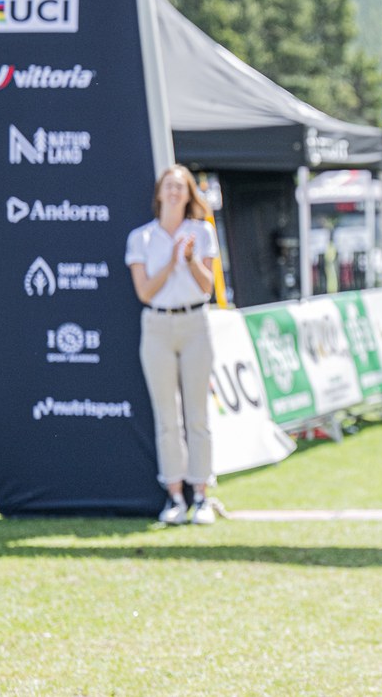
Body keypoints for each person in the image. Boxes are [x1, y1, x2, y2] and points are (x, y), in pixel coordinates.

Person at [126, 164, 219, 527]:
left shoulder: (202, 232)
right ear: (160, 194)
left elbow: (206, 286)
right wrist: (170, 260)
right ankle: (175, 495)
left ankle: (202, 495)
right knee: (167, 417)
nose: (175, 192)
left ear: (189, 193)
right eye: (169, 186)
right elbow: (145, 291)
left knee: (197, 415)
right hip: (157, 325)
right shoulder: (142, 238)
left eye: (181, 186)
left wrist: (191, 258)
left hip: (194, 323)